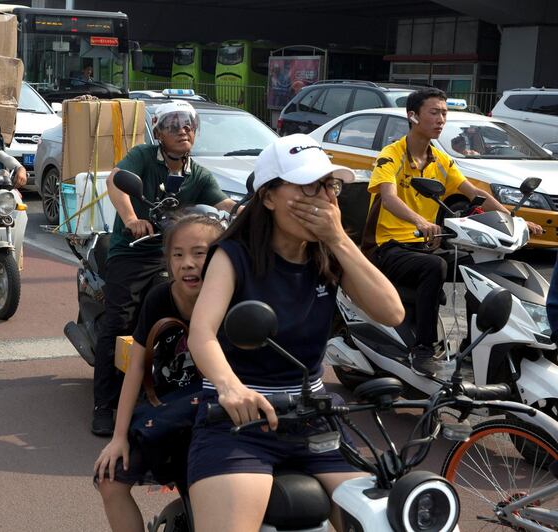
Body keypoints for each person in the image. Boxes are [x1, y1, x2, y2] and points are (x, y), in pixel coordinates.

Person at [185, 134, 405, 532]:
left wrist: (338, 239)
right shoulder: (234, 255)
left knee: (382, 523)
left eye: (328, 186)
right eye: (307, 186)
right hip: (240, 421)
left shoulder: (328, 255)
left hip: (314, 418)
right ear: (268, 197)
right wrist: (231, 388)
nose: (321, 198)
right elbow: (202, 333)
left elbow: (390, 311)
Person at [362, 87, 544, 376]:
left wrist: (513, 218)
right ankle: (422, 349)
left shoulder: (440, 160)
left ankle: (460, 342)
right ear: (413, 116)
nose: (441, 119)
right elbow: (388, 197)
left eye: (444, 113)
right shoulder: (391, 155)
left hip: (426, 244)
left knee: (471, 267)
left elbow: (474, 194)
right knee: (435, 266)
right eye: (434, 112)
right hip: (390, 245)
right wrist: (420, 222)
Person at [92, 100, 239, 436]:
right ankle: (103, 404)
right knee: (119, 322)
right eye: (173, 125)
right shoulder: (143, 157)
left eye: (188, 124)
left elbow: (222, 202)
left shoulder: (197, 173)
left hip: (174, 253)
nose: (182, 130)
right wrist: (131, 219)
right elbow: (116, 181)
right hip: (132, 251)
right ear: (157, 132)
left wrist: (246, 212)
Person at [93, 213, 224, 532]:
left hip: (218, 417)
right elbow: (136, 367)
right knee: (109, 479)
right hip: (165, 414)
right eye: (177, 254)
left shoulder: (233, 300)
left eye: (200, 253)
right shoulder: (158, 299)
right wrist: (118, 437)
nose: (188, 263)